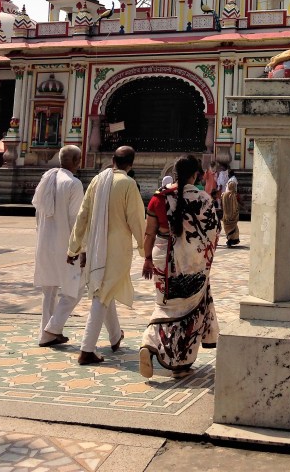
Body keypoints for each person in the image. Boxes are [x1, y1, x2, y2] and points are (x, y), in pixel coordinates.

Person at [139, 154, 220, 380]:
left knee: (165, 305)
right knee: (187, 311)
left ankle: (149, 342)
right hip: (191, 264)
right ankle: (180, 365)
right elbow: (213, 232)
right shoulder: (203, 199)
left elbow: (149, 233)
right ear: (196, 174)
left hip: (161, 259)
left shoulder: (158, 198)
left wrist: (146, 258)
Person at [68, 146, 145, 366]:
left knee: (104, 288)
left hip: (95, 246)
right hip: (117, 250)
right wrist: (144, 248)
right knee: (102, 293)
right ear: (131, 164)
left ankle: (114, 336)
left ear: (113, 160)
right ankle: (86, 349)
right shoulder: (128, 184)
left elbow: (83, 215)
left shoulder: (96, 181)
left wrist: (74, 247)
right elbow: (137, 219)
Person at [32, 145, 85, 347]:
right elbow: (76, 221)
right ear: (77, 162)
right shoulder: (73, 183)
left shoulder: (46, 178)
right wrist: (81, 248)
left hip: (45, 241)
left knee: (49, 291)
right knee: (76, 287)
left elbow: (37, 211)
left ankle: (47, 333)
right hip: (66, 246)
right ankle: (52, 329)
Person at [221, 168, 240, 247]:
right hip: (231, 216)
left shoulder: (226, 195)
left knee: (229, 226)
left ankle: (230, 239)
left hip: (227, 216)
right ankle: (231, 239)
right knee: (233, 226)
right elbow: (235, 207)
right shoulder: (231, 195)